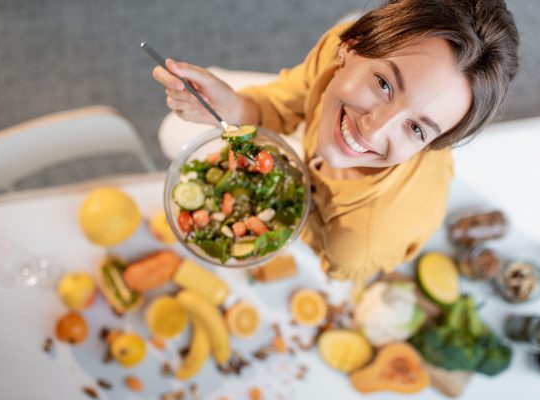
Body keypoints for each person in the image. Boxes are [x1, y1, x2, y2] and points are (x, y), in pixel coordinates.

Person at [152, 0, 520, 282]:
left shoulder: (356, 244)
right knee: (173, 130)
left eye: (418, 129)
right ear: (351, 44)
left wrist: (295, 211)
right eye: (385, 84)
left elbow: (332, 263)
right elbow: (293, 96)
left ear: (433, 146)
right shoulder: (334, 47)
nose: (373, 131)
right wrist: (235, 105)